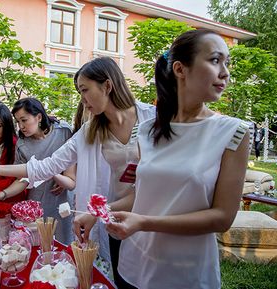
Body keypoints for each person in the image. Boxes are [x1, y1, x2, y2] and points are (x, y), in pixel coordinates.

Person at [0, 57, 156, 285]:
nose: (83, 100)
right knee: (124, 277)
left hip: (152, 217)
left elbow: (159, 182)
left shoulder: (153, 118)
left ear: (107, 85)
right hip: (114, 217)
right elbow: (47, 165)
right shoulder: (90, 131)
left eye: (85, 90)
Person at [105, 29, 249, 289]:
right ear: (181, 69)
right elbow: (142, 193)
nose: (225, 72)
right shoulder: (146, 131)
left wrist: (145, 222)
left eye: (227, 62)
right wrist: (101, 212)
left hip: (185, 275)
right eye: (215, 60)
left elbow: (222, 217)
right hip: (133, 264)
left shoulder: (233, 133)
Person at [0, 98, 76, 244]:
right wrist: (2, 194)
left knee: (63, 246)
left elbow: (71, 180)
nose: (21, 126)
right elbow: (22, 179)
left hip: (62, 202)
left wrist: (55, 173)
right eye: (18, 122)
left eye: (24, 120)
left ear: (38, 117)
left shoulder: (63, 132)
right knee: (39, 246)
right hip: (36, 204)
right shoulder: (22, 145)